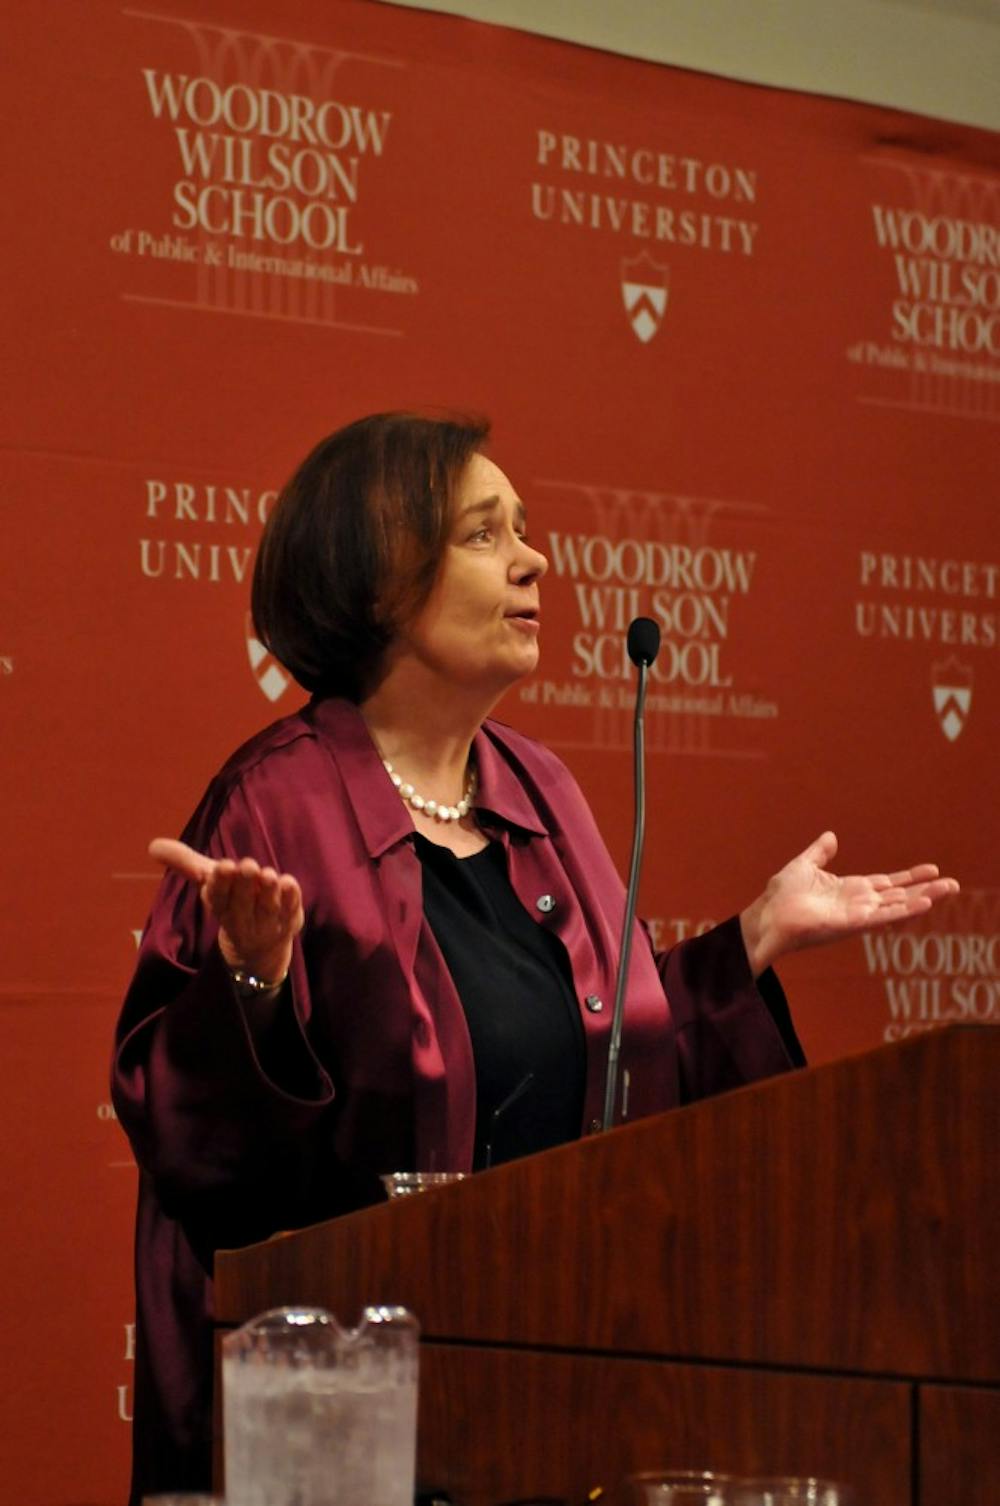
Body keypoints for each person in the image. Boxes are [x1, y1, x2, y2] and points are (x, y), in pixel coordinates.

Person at [111, 412, 958, 1503]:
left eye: (526, 528)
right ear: (377, 578)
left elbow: (603, 1061)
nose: (533, 559)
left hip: (550, 1396)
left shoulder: (540, 790)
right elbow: (197, 1158)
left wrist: (750, 942)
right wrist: (253, 983)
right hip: (354, 1431)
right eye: (482, 532)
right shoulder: (275, 803)